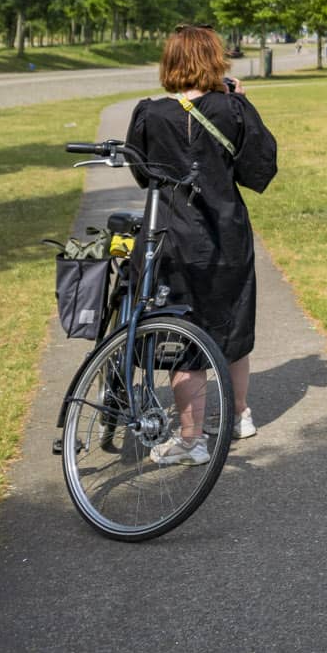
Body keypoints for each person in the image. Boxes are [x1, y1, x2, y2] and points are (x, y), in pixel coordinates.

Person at [125, 24, 279, 465]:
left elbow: (142, 174)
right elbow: (260, 170)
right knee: (232, 325)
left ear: (171, 62)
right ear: (215, 61)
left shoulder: (150, 114)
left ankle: (192, 439)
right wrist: (242, 101)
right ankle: (239, 415)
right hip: (226, 234)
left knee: (183, 336)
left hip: (173, 235)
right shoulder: (231, 109)